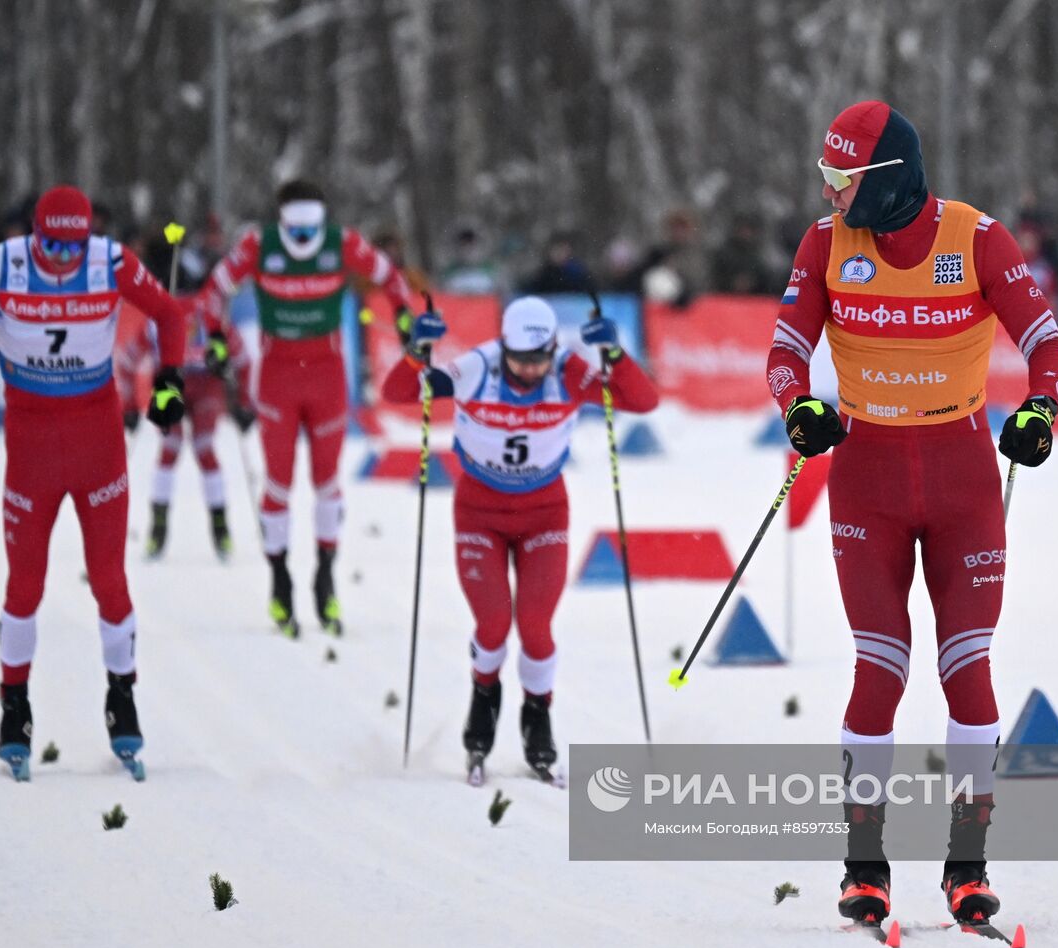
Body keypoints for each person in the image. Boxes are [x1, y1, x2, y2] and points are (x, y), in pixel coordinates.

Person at [765, 102, 1058, 926]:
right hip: (867, 482)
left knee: (967, 671)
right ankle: (864, 869)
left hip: (963, 480)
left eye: (842, 179)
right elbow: (786, 349)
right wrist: (798, 408)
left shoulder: (976, 239)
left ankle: (965, 867)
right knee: (881, 668)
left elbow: (1047, 345)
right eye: (824, 177)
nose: (828, 193)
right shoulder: (827, 244)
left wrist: (1039, 410)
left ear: (886, 182)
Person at [0, 184, 190, 781]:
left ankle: (121, 698)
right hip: (32, 445)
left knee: (109, 579)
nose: (64, 260)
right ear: (33, 234)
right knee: (25, 584)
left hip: (97, 441)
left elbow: (171, 315)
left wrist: (169, 381)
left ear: (87, 237)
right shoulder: (2, 262)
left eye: (74, 246)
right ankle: (13, 707)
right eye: (52, 245)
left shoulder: (110, 260)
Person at [381, 296, 658, 781]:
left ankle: (537, 716)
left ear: (553, 348)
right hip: (479, 513)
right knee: (492, 625)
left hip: (544, 512)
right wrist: (415, 349)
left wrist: (614, 355)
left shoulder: (569, 371)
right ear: (503, 345)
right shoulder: (478, 368)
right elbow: (397, 393)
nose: (529, 371)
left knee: (534, 624)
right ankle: (483, 698)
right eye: (519, 359)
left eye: (539, 359)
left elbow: (642, 400)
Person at [197, 179, 414, 638]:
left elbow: (393, 277)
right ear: (280, 222)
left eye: (308, 232)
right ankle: (279, 580)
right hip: (277, 378)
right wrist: (216, 339)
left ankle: (325, 576)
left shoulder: (344, 243)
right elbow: (213, 293)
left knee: (326, 482)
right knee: (278, 481)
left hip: (326, 378)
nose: (300, 243)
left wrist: (404, 318)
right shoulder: (257, 245)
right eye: (293, 233)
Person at [117, 282, 254, 562]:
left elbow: (242, 361)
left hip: (205, 386)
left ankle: (219, 526)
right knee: (172, 447)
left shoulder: (212, 317)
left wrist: (243, 403)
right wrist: (128, 407)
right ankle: (159, 525)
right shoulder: (158, 321)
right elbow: (127, 361)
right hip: (171, 384)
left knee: (202, 448)